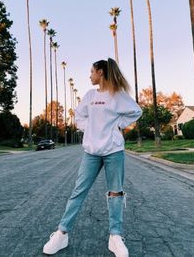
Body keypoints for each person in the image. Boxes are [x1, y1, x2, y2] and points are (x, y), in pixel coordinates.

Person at [43, 58, 142, 257]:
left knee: (116, 192)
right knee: (78, 191)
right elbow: (79, 117)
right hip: (91, 152)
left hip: (114, 151)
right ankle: (62, 234)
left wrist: (118, 125)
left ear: (101, 72)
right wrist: (90, 129)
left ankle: (115, 236)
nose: (90, 75)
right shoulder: (89, 96)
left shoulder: (118, 95)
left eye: (92, 71)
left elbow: (136, 111)